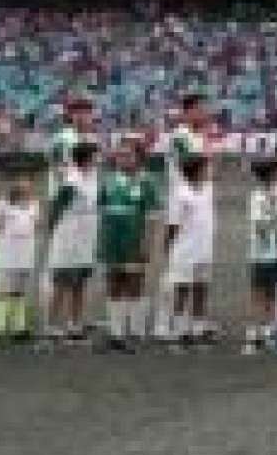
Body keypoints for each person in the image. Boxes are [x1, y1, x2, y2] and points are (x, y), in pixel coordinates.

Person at [95, 141, 159, 352]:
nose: (122, 159)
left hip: (134, 238)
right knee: (113, 282)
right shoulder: (109, 180)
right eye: (119, 155)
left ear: (138, 158)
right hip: (112, 239)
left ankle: (133, 332)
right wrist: (102, 238)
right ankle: (115, 334)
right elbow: (102, 209)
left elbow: (152, 216)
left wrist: (146, 242)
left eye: (127, 155)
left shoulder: (147, 181)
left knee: (134, 283)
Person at [43, 138, 99, 342]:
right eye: (95, 156)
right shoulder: (71, 180)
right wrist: (51, 231)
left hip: (87, 233)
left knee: (80, 282)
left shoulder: (92, 178)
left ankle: (75, 324)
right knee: (62, 281)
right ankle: (51, 325)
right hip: (68, 233)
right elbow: (57, 207)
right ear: (85, 159)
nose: (98, 160)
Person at [163, 151, 216, 346]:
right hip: (185, 249)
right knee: (182, 289)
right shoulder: (180, 193)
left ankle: (198, 328)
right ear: (196, 171)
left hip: (204, 248)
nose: (209, 171)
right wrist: (168, 247)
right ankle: (178, 330)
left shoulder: (208, 188)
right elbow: (173, 224)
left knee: (202, 288)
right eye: (206, 168)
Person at [244, 151, 277, 354]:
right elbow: (258, 224)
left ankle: (268, 330)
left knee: (273, 292)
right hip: (262, 252)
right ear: (271, 174)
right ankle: (254, 333)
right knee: (259, 293)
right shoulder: (257, 197)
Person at [0, 182, 39, 340]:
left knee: (19, 292)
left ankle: (18, 327)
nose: (26, 191)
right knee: (1, 291)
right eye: (22, 189)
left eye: (28, 189)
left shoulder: (34, 206)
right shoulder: (2, 205)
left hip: (25, 256)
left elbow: (35, 226)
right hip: (6, 256)